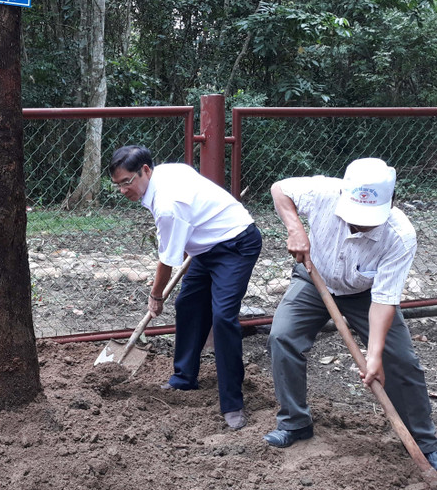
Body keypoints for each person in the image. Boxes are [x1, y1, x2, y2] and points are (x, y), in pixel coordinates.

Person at [265, 158, 437, 469]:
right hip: (314, 277)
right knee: (282, 337)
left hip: (366, 295)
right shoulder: (323, 192)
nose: (358, 223)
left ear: (389, 205)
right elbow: (279, 190)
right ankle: (294, 422)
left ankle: (422, 444)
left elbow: (384, 300)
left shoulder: (399, 236)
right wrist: (296, 230)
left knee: (400, 361)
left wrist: (374, 356)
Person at [110, 145, 262, 430]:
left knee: (222, 317)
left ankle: (232, 402)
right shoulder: (166, 172)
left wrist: (155, 296)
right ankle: (183, 379)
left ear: (145, 170)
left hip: (236, 243)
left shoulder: (168, 204)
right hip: (206, 246)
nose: (122, 190)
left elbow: (167, 262)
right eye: (117, 184)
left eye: (126, 182)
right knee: (188, 305)